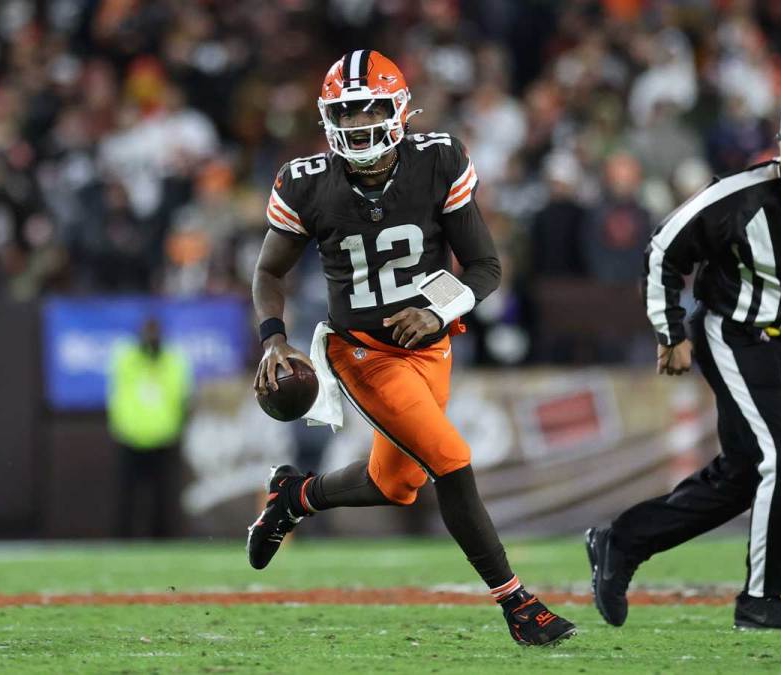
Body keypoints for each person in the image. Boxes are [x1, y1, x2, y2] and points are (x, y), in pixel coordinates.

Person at [244, 50, 575, 647]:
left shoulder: (438, 161)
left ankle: (294, 495)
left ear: (399, 111)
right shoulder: (306, 182)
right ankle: (518, 603)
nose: (356, 125)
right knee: (449, 457)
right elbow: (269, 273)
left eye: (368, 109)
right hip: (361, 350)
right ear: (327, 119)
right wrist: (273, 340)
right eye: (344, 113)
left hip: (430, 344)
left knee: (396, 484)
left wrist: (436, 310)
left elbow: (484, 266)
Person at [586, 96, 781, 630]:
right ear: (777, 148)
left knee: (743, 476)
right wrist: (671, 333)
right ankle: (761, 599)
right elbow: (665, 249)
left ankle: (623, 541)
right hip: (731, 334)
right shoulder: (740, 195)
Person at [107, 317, 193, 538]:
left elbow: (182, 396)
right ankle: (122, 540)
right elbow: (117, 394)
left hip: (164, 436)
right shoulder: (127, 358)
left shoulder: (174, 360)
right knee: (126, 496)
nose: (151, 338)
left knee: (163, 497)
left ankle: (161, 540)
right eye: (148, 333)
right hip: (131, 435)